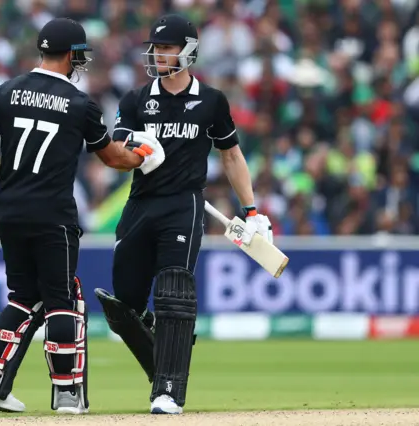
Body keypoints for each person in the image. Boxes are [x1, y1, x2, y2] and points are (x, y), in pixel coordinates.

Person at [0, 17, 166, 415]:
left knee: (23, 298)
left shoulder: (6, 90)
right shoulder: (79, 104)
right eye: (80, 56)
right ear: (71, 55)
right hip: (53, 214)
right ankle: (67, 393)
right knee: (62, 300)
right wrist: (143, 155)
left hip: (12, 211)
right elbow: (111, 157)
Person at [95, 14, 273, 415]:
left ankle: (168, 391)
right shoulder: (135, 100)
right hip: (140, 204)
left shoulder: (211, 101)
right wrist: (139, 152)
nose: (158, 54)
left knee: (174, 291)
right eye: (155, 48)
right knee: (125, 305)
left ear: (188, 51)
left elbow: (231, 155)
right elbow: (117, 155)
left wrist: (252, 211)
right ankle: (166, 353)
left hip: (184, 205)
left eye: (166, 48)